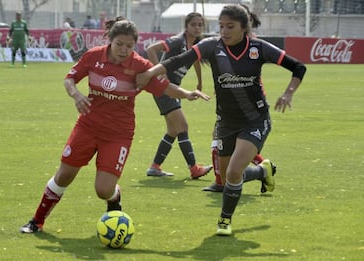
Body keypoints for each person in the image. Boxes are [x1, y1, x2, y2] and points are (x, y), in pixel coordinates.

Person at [19, 17, 210, 233]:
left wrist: (187, 94)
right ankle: (37, 221)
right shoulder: (93, 56)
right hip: (87, 126)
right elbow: (69, 79)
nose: (123, 50)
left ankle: (114, 200)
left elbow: (166, 87)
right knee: (63, 176)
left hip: (118, 134)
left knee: (103, 189)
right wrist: (76, 95)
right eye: (119, 44)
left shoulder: (140, 66)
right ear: (110, 40)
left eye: (129, 46)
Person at [135, 4, 306, 236]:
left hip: (255, 119)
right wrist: (150, 73)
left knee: (234, 172)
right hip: (226, 121)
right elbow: (177, 60)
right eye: (221, 26)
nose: (224, 31)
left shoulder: (258, 48)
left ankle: (224, 221)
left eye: (230, 26)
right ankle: (262, 171)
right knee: (227, 179)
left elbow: (298, 66)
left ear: (244, 28)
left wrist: (288, 93)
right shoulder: (211, 46)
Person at [202, 4, 274, 193]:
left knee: (223, 142)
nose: (225, 29)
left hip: (247, 105)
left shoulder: (250, 44)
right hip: (229, 102)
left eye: (230, 24)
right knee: (223, 142)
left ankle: (233, 179)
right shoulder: (228, 41)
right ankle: (258, 170)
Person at [145, 12, 212, 179]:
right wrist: (158, 72)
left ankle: (154, 167)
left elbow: (195, 59)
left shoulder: (195, 44)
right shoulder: (177, 41)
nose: (197, 28)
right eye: (193, 25)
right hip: (164, 89)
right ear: (186, 26)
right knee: (182, 127)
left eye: (200, 25)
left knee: (174, 130)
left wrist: (199, 82)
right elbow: (150, 49)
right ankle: (194, 169)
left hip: (172, 89)